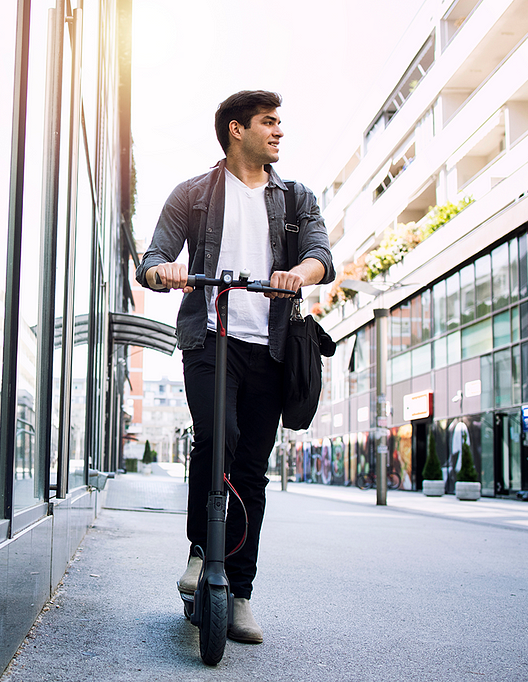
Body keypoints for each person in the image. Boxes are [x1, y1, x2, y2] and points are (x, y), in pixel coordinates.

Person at [135, 90, 334, 643]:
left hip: (269, 346)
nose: (278, 133)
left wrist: (302, 273)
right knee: (215, 438)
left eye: (279, 124)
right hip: (210, 338)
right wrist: (165, 274)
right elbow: (151, 261)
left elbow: (322, 255)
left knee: (251, 466)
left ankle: (240, 592)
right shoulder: (193, 195)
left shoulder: (296, 198)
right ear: (235, 130)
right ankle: (202, 553)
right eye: (268, 123)